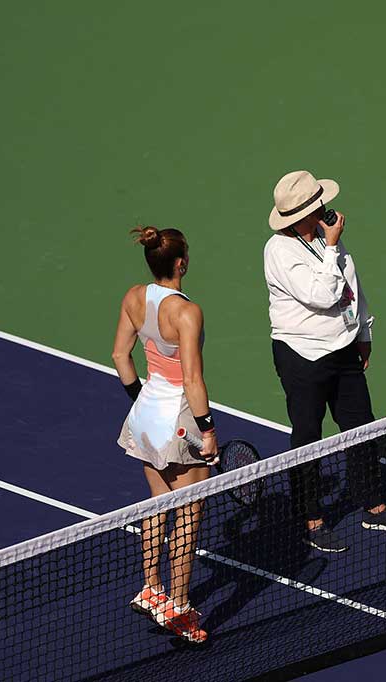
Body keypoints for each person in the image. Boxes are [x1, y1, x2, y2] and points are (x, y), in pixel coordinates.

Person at [264, 170, 386, 553]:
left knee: (361, 428)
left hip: (344, 347)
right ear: (302, 215)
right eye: (319, 207)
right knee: (307, 437)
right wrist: (331, 246)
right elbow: (320, 294)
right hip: (302, 356)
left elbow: (350, 284)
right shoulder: (279, 251)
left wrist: (364, 333)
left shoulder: (326, 238)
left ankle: (373, 504)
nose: (327, 211)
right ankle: (311, 517)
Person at [113, 225, 216, 644]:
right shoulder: (187, 312)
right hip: (178, 416)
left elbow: (121, 355)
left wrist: (142, 401)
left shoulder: (134, 296)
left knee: (158, 504)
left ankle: (150, 587)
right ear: (181, 263)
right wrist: (207, 430)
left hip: (146, 414)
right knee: (189, 515)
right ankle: (179, 606)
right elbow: (192, 378)